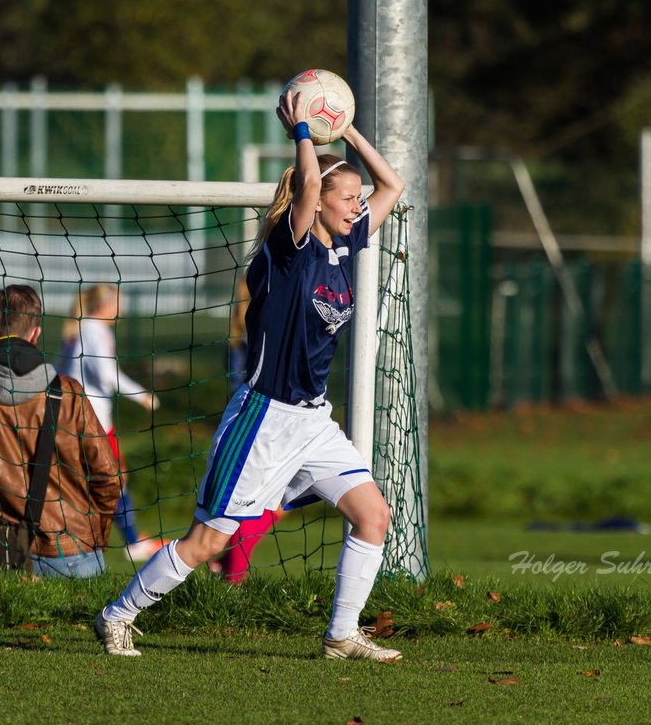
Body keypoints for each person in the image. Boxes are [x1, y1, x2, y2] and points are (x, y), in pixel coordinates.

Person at [94, 91, 407, 661]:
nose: (360, 207)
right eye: (348, 199)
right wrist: (306, 134)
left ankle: (341, 636)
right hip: (263, 418)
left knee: (373, 514)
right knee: (207, 540)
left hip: (312, 422)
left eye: (358, 201)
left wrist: (350, 130)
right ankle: (117, 615)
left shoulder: (344, 246)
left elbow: (394, 187)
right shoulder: (285, 252)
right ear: (317, 205)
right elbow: (310, 187)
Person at [0, 285, 122, 578]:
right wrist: (93, 537)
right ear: (35, 333)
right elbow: (109, 476)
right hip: (73, 552)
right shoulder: (69, 392)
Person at [58, 284, 164, 561]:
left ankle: (126, 538)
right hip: (92, 422)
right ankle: (130, 542)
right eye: (118, 301)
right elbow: (106, 374)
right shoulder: (94, 330)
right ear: (105, 304)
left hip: (76, 418)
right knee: (112, 477)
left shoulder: (81, 329)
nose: (122, 306)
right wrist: (142, 397)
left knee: (102, 477)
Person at [213, 275, 284, 584]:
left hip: (253, 425)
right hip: (265, 426)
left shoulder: (239, 341)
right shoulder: (256, 337)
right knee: (267, 502)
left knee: (269, 502)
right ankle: (233, 575)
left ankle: (226, 562)